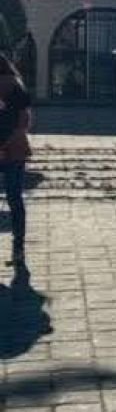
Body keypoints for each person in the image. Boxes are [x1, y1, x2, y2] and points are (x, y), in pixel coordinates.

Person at [0, 53, 31, 271]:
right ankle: (18, 249)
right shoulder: (19, 88)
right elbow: (24, 122)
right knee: (15, 199)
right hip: (16, 149)